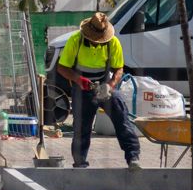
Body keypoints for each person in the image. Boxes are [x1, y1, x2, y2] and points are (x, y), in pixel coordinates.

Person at [54, 11, 141, 169]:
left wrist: (109, 85)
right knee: (82, 127)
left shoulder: (112, 42)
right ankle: (80, 163)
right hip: (81, 88)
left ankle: (133, 157)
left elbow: (118, 69)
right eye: (94, 40)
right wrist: (79, 80)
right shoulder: (76, 40)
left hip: (103, 86)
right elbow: (62, 67)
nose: (97, 43)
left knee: (121, 116)